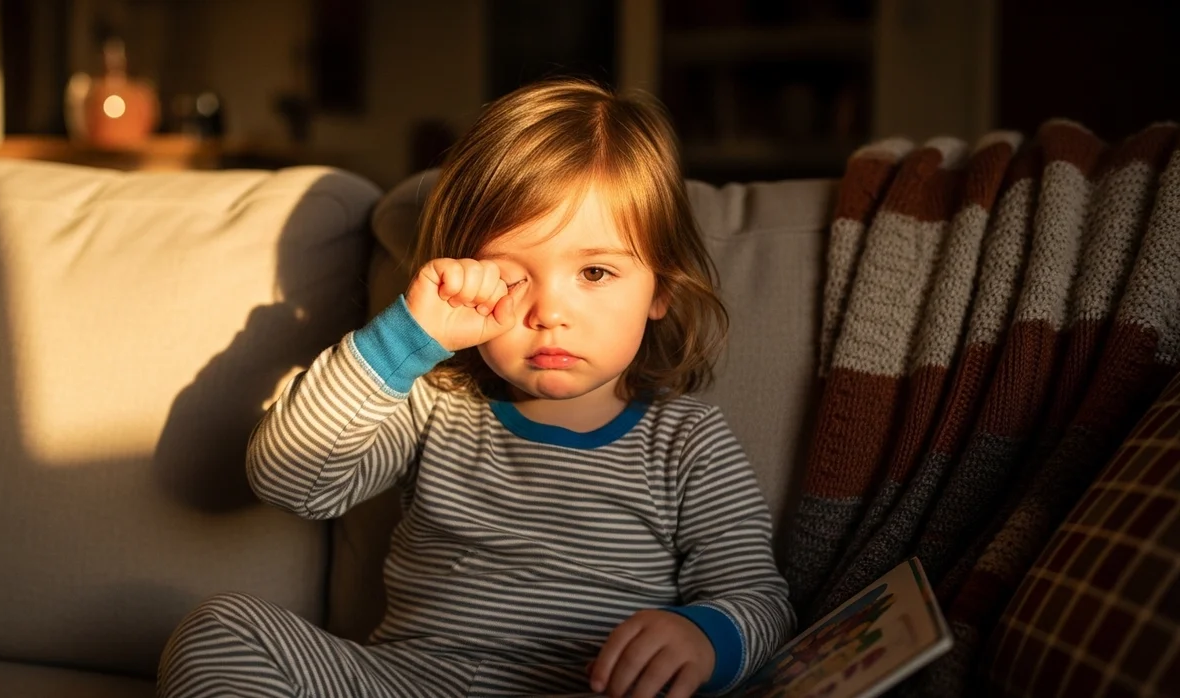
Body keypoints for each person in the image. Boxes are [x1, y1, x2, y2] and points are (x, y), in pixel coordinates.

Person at [158, 77, 794, 698]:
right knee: (222, 630)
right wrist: (403, 339)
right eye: (511, 275)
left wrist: (704, 637)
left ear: (660, 290)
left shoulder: (688, 443)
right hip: (408, 678)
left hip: (580, 683)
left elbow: (759, 602)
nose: (548, 312)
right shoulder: (435, 405)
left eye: (595, 272)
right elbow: (291, 480)